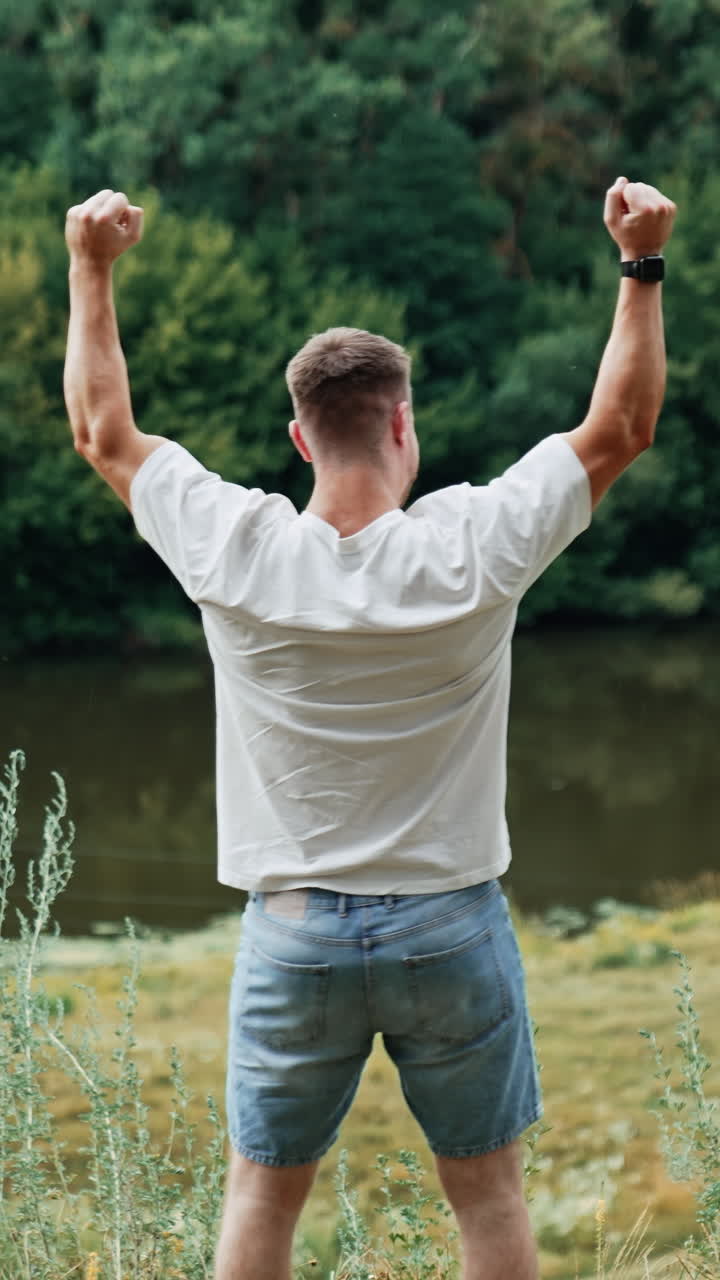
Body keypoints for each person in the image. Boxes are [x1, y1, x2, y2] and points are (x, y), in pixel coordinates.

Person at [63, 176, 676, 1280]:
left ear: (298, 436)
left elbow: (103, 431)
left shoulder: (234, 549)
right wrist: (640, 262)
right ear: (403, 422)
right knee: (488, 1199)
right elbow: (621, 427)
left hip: (294, 932)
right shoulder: (473, 545)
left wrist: (88, 266)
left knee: (260, 1202)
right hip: (450, 926)